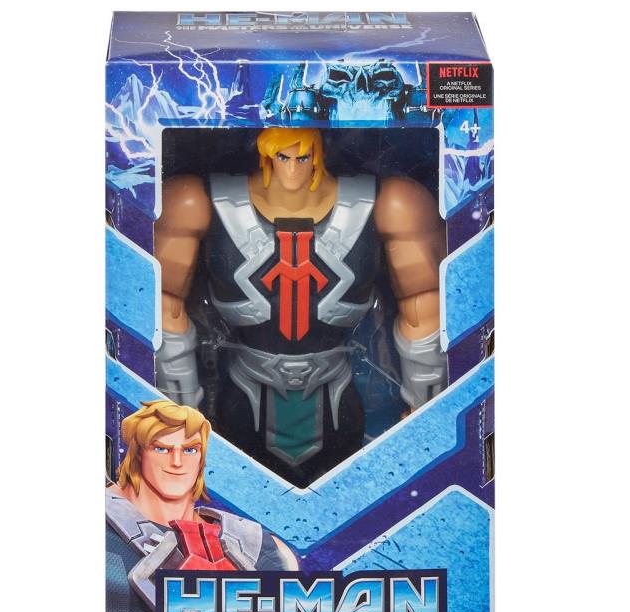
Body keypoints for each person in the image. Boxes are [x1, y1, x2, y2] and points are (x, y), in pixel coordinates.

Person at [155, 127, 446, 486]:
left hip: (336, 396)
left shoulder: (391, 204)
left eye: (303, 157)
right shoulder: (196, 202)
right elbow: (164, 309)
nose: (292, 168)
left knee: (346, 492)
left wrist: (425, 408)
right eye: (282, 157)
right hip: (243, 394)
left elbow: (423, 309)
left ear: (318, 155)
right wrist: (178, 413)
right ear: (265, 156)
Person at [106, 400, 296, 612]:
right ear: (138, 454)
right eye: (161, 448)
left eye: (190, 450)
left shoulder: (256, 545)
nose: (177, 461)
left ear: (202, 457)